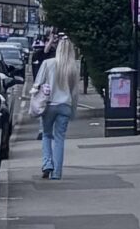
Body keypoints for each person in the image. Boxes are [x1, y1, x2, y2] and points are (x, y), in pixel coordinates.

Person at [32, 34, 81, 180]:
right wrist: (73, 111)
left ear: (58, 49)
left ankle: (47, 164)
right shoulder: (74, 67)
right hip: (65, 105)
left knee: (47, 135)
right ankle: (57, 173)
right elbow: (75, 93)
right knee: (60, 139)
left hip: (49, 105)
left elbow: (38, 83)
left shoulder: (48, 63)